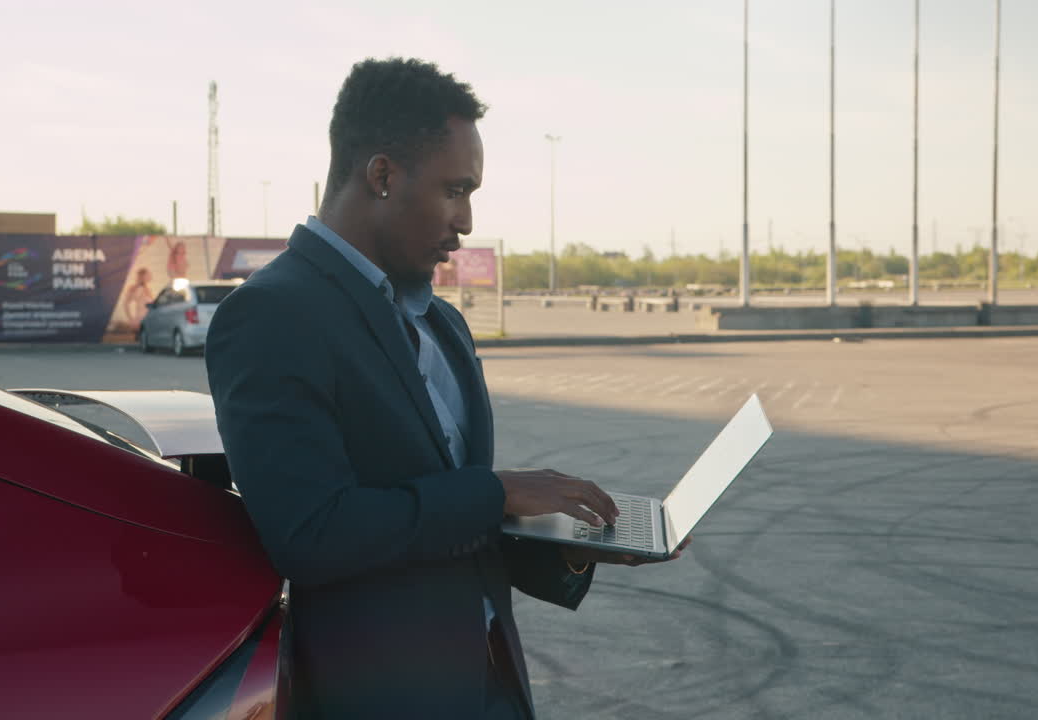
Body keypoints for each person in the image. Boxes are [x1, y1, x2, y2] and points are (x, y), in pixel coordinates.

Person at [205, 57, 687, 720]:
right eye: (455, 190)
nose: (466, 221)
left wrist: (565, 543)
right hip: (384, 699)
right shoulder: (272, 314)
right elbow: (310, 534)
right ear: (381, 175)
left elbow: (452, 520)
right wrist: (495, 492)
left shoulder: (441, 321)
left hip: (494, 682)